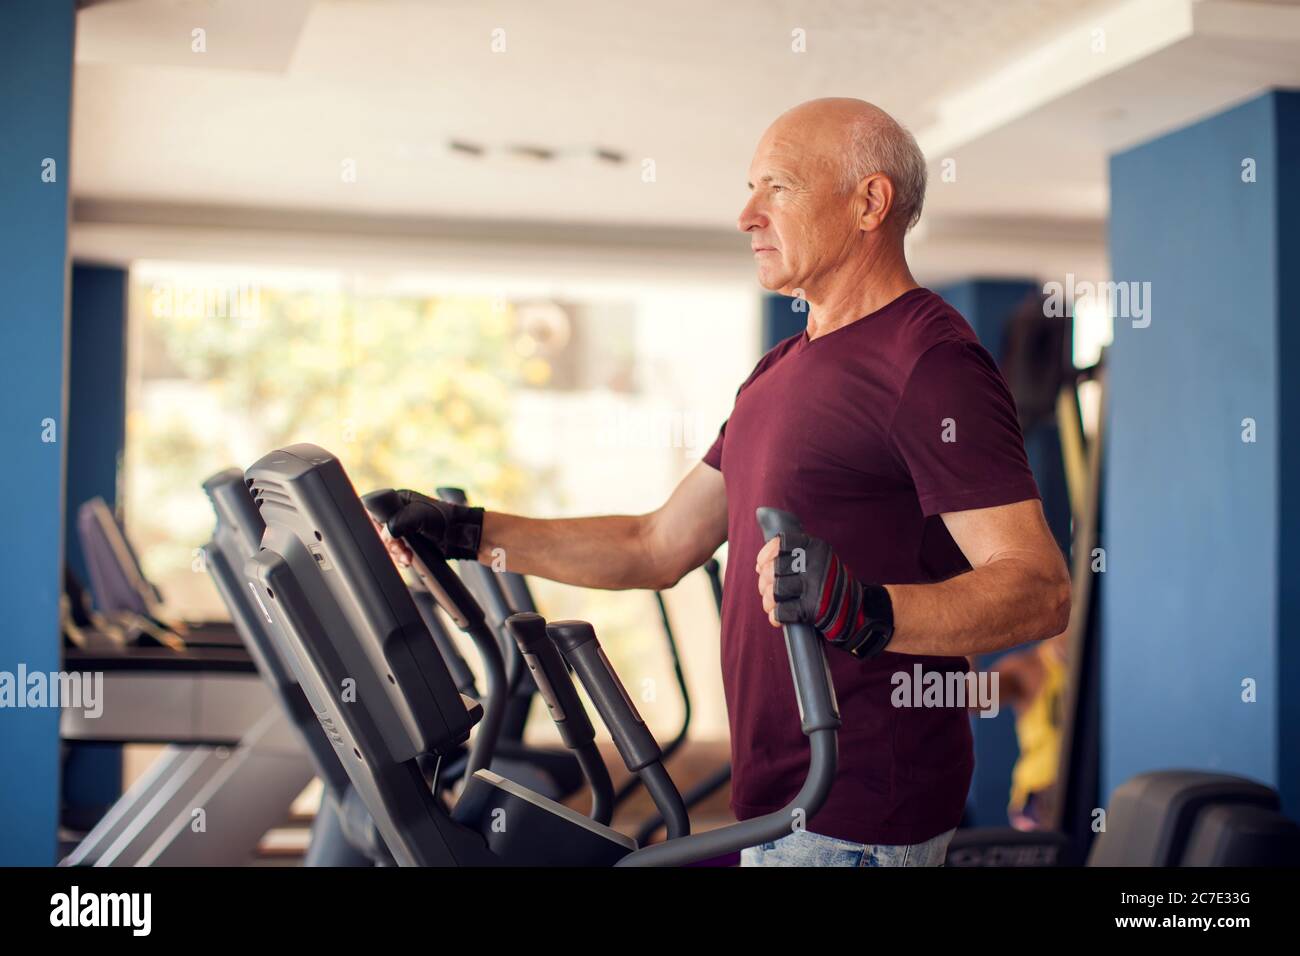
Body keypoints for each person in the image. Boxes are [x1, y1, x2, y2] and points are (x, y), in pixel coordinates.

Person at [378, 97, 1070, 867]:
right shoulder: (778, 371)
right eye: (750, 188)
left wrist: (869, 610)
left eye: (776, 188)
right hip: (774, 802)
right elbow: (654, 545)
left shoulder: (929, 363)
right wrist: (470, 532)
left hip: (861, 814)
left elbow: (1038, 590)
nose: (746, 214)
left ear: (869, 202)